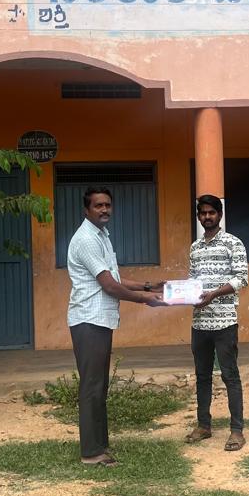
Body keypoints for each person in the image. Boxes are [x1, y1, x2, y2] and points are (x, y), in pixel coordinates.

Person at [67, 186, 163, 466]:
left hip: (100, 319)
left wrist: (149, 285)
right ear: (86, 210)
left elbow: (116, 278)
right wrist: (146, 299)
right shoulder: (86, 239)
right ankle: (91, 453)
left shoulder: (102, 236)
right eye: (98, 206)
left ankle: (99, 445)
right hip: (88, 319)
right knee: (92, 386)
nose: (105, 210)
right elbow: (109, 286)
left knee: (99, 385)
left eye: (108, 205)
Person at [185, 194, 249, 451]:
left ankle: (237, 431)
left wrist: (212, 294)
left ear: (220, 215)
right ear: (199, 216)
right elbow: (192, 281)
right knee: (202, 376)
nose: (207, 217)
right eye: (203, 213)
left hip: (225, 322)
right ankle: (203, 425)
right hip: (199, 323)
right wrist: (186, 295)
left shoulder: (233, 243)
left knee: (230, 376)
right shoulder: (194, 248)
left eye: (212, 212)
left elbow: (242, 279)